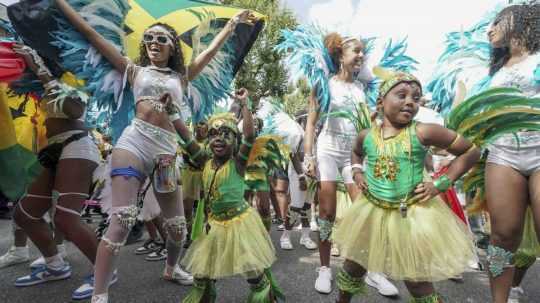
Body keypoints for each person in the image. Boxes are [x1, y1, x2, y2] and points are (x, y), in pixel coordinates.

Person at [53, 1, 257, 302]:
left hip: (165, 152)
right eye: (149, 38)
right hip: (133, 143)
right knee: (122, 219)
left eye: (161, 39)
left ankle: (172, 268)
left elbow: (210, 53)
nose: (153, 43)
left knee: (176, 228)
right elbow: (92, 35)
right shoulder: (133, 70)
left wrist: (231, 25)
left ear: (173, 47)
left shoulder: (182, 77)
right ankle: (100, 294)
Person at [333, 70, 480, 303]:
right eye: (401, 95)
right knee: (353, 266)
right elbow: (355, 152)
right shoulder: (366, 136)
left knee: (417, 280)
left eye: (416, 97)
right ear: (381, 102)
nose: (410, 101)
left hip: (410, 215)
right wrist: (357, 171)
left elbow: (471, 151)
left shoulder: (423, 131)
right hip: (371, 212)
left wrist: (440, 183)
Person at [303, 32, 397, 295]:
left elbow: (366, 125)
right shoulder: (323, 84)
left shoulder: (363, 89)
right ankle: (324, 268)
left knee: (367, 211)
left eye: (362, 51)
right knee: (327, 213)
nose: (361, 55)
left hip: (354, 155)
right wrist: (308, 156)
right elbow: (311, 123)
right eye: (356, 50)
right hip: (328, 151)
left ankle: (373, 271)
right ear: (340, 55)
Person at [179, 89, 284, 303]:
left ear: (234, 142)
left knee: (253, 273)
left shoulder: (237, 163)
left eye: (226, 135)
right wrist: (173, 114)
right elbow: (186, 137)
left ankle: (268, 297)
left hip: (240, 224)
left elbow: (250, 135)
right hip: (214, 225)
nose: (219, 139)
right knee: (201, 275)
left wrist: (245, 105)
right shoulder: (203, 161)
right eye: (214, 135)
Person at [480, 4, 540, 303]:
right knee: (502, 236)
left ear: (519, 20)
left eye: (496, 22)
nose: (489, 29)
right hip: (503, 153)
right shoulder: (497, 68)